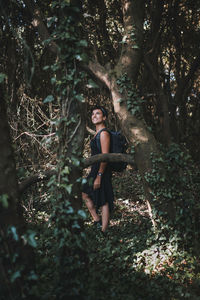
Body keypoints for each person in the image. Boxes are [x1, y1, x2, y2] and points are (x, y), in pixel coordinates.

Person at [82, 105, 114, 234]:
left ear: (104, 117)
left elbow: (104, 156)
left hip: (102, 170)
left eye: (98, 114)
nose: (94, 116)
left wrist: (99, 175)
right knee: (84, 193)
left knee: (103, 199)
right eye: (93, 114)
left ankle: (104, 231)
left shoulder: (104, 133)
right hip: (95, 169)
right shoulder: (97, 134)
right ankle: (97, 220)